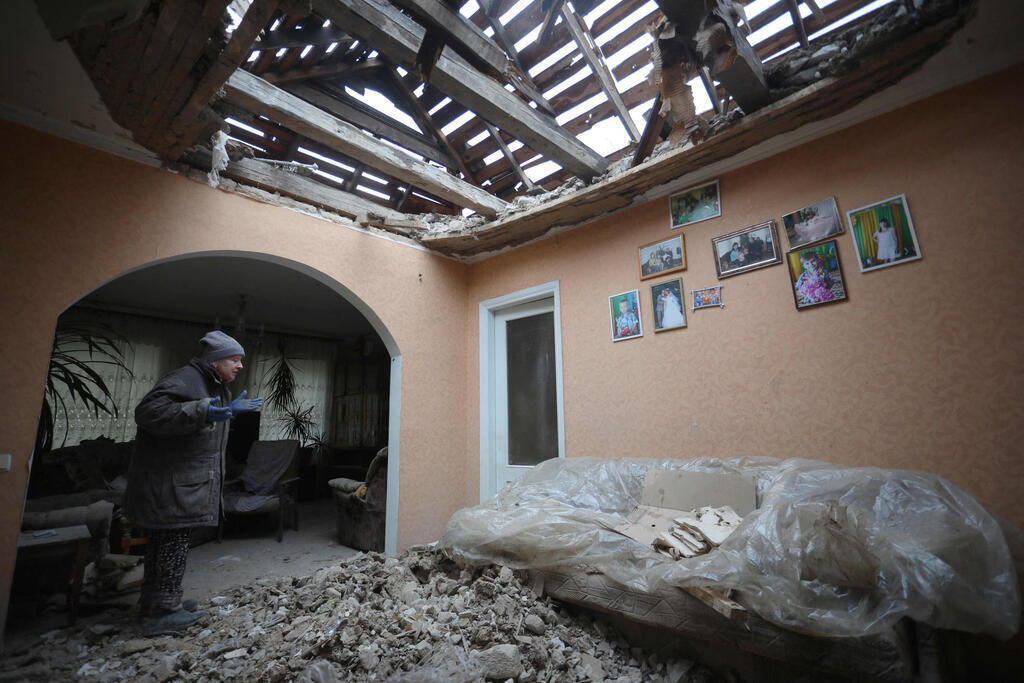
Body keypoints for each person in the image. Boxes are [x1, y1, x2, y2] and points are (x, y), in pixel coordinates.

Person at [124, 331, 263, 635]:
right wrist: (201, 410)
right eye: (234, 360)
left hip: (181, 483)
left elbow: (198, 423)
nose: (240, 366)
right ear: (215, 361)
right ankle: (162, 612)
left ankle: (156, 604)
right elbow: (147, 413)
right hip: (171, 485)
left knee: (165, 544)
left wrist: (227, 412)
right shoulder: (186, 379)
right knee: (172, 545)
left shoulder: (213, 385)